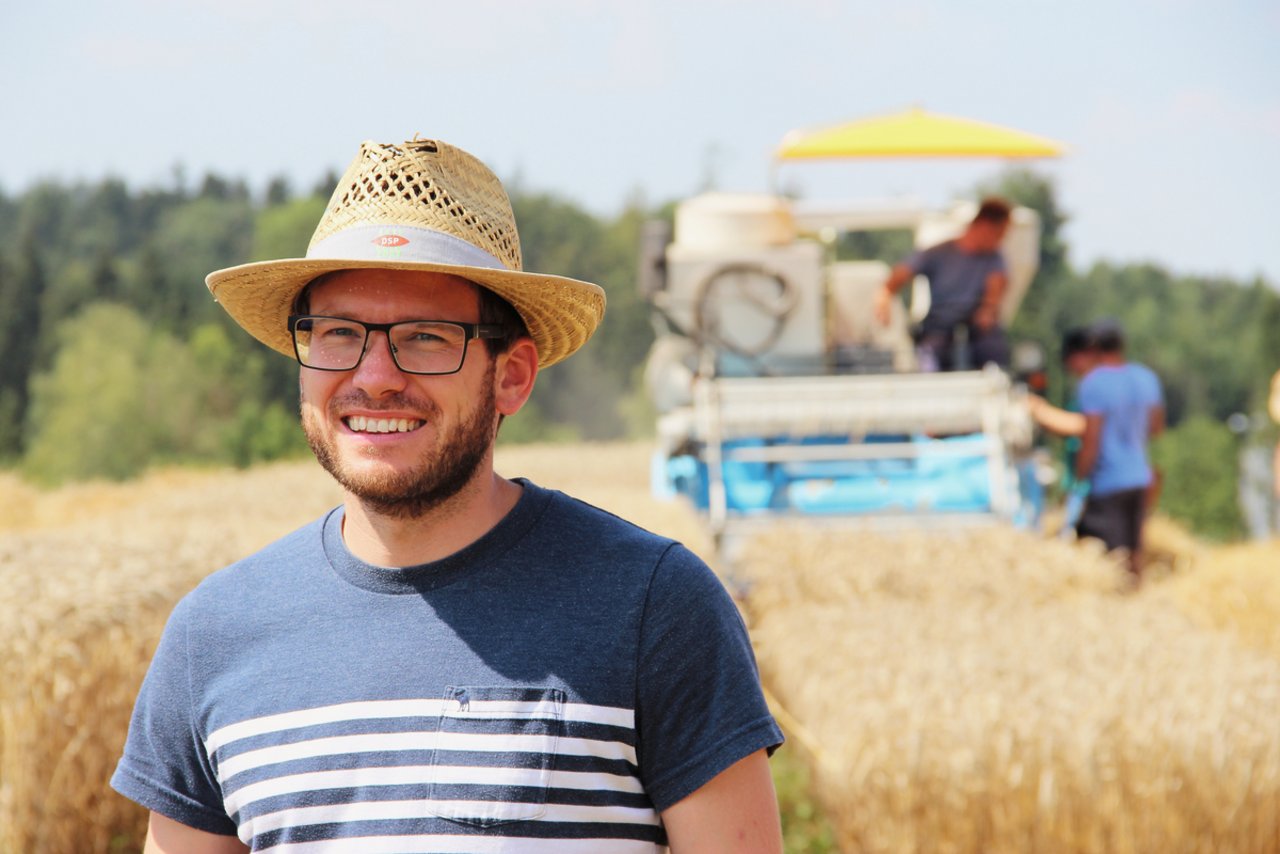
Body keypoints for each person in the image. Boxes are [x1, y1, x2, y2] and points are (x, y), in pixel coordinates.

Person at [111, 138, 784, 853]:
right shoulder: (213, 636)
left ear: (513, 377)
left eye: (426, 339)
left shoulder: (654, 607)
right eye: (338, 333)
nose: (374, 376)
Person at [874, 197, 1013, 372]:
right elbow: (902, 272)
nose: (1002, 240)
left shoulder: (994, 258)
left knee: (993, 349)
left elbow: (997, 284)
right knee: (929, 359)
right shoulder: (939, 253)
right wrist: (885, 294)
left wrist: (988, 309)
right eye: (1000, 233)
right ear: (985, 226)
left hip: (975, 327)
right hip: (939, 325)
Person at [1073, 320, 1165, 580]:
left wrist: (1079, 478)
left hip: (1108, 481)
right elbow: (1156, 428)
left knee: (1108, 558)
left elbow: (1092, 438)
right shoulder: (1146, 378)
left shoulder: (1093, 383)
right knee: (1135, 552)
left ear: (1093, 349)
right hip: (1140, 476)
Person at [1025, 326, 1097, 536]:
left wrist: (1039, 410)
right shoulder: (1086, 388)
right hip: (1079, 482)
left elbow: (1082, 427)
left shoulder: (1095, 388)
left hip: (1089, 485)